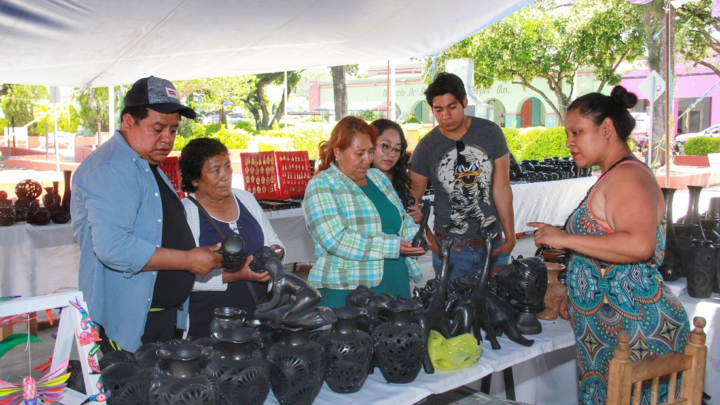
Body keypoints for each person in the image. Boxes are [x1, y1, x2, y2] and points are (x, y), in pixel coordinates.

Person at [529, 85, 690, 404]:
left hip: (638, 333)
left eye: (577, 132)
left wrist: (562, 237)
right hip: (615, 332)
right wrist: (578, 298)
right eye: (567, 134)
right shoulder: (614, 175)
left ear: (606, 129)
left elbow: (639, 245)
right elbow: (606, 250)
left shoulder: (627, 177)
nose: (569, 142)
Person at [72, 76, 222, 353]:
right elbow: (114, 248)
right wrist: (188, 260)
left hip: (155, 317)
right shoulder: (111, 169)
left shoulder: (144, 163)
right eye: (158, 128)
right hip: (126, 323)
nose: (167, 139)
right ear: (128, 122)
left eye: (174, 130)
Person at [303, 116, 427, 307]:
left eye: (370, 152)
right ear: (338, 152)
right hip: (348, 292)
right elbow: (336, 239)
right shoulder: (322, 185)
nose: (367, 159)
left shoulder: (378, 178)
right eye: (359, 153)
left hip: (395, 282)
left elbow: (402, 219)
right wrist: (392, 246)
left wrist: (415, 239)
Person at [409, 72, 515, 280]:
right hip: (451, 249)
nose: (446, 116)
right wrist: (433, 243)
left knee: (497, 309)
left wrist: (510, 238)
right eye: (438, 110)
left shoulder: (490, 133)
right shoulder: (427, 146)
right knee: (454, 310)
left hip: (494, 246)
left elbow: (502, 187)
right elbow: (412, 202)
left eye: (452, 107)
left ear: (465, 102)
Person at [178, 138, 285, 338]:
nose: (225, 177)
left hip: (257, 319)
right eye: (215, 171)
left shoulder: (245, 198)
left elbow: (274, 240)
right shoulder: (185, 214)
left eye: (227, 167)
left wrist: (273, 256)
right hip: (208, 322)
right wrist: (235, 275)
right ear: (194, 179)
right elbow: (181, 280)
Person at [370, 119, 415, 213]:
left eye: (397, 149)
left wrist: (418, 216)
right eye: (386, 146)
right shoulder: (358, 181)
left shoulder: (400, 181)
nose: (392, 154)